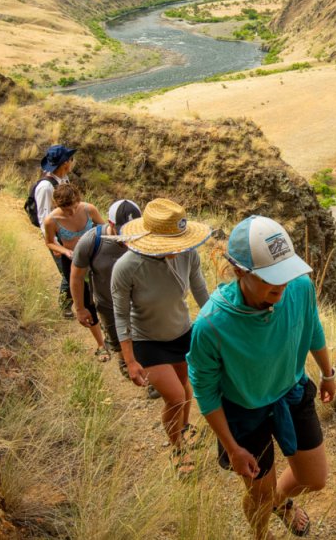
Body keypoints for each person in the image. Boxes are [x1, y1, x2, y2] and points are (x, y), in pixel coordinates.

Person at [188, 215, 336, 539]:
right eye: (270, 277)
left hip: (291, 391)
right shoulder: (212, 324)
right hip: (244, 413)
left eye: (284, 274)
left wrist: (328, 372)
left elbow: (311, 326)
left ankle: (279, 503)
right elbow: (205, 390)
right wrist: (231, 447)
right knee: (259, 495)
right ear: (240, 271)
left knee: (315, 478)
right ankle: (261, 533)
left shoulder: (299, 286)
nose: (281, 285)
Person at [111, 198, 212, 474]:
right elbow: (120, 317)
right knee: (176, 397)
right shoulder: (126, 268)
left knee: (186, 387)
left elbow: (201, 290)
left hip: (181, 332)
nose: (177, 248)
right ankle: (178, 449)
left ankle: (184, 427)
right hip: (148, 340)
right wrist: (130, 361)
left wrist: (219, 322)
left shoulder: (188, 253)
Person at [70, 199, 142, 375]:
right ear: (111, 223)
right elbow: (77, 276)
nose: (130, 235)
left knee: (143, 341)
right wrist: (80, 308)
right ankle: (123, 359)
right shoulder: (91, 241)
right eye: (125, 229)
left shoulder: (143, 239)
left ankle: (147, 372)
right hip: (108, 304)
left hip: (139, 303)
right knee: (117, 338)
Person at [42, 183, 107, 357]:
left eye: (73, 207)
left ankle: (111, 332)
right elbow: (49, 242)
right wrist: (64, 250)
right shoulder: (51, 220)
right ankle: (101, 344)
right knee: (85, 301)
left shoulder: (89, 209)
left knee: (104, 295)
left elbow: (105, 229)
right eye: (65, 209)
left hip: (94, 257)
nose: (70, 213)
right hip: (72, 261)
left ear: (78, 200)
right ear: (57, 204)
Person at [35, 144, 76, 317]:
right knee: (69, 272)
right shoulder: (46, 187)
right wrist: (55, 245)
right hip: (57, 238)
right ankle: (65, 307)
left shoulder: (63, 180)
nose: (73, 162)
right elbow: (44, 218)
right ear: (65, 163)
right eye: (71, 159)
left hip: (68, 232)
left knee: (75, 268)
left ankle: (70, 303)